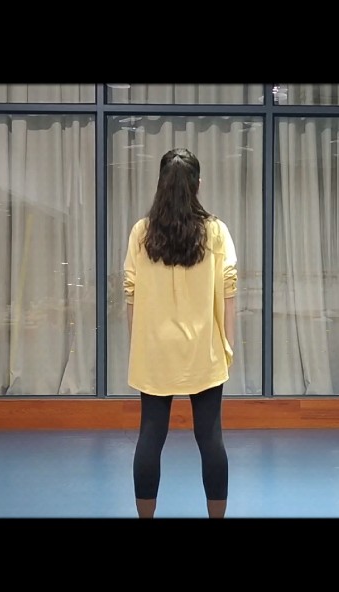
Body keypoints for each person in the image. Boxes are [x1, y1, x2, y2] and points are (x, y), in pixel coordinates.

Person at [123, 147, 238, 519]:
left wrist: (138, 345)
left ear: (160, 184)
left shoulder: (141, 233)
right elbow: (229, 289)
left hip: (154, 351)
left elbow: (130, 292)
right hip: (203, 349)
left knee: (150, 436)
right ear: (197, 185)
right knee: (210, 438)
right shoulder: (216, 231)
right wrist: (227, 347)